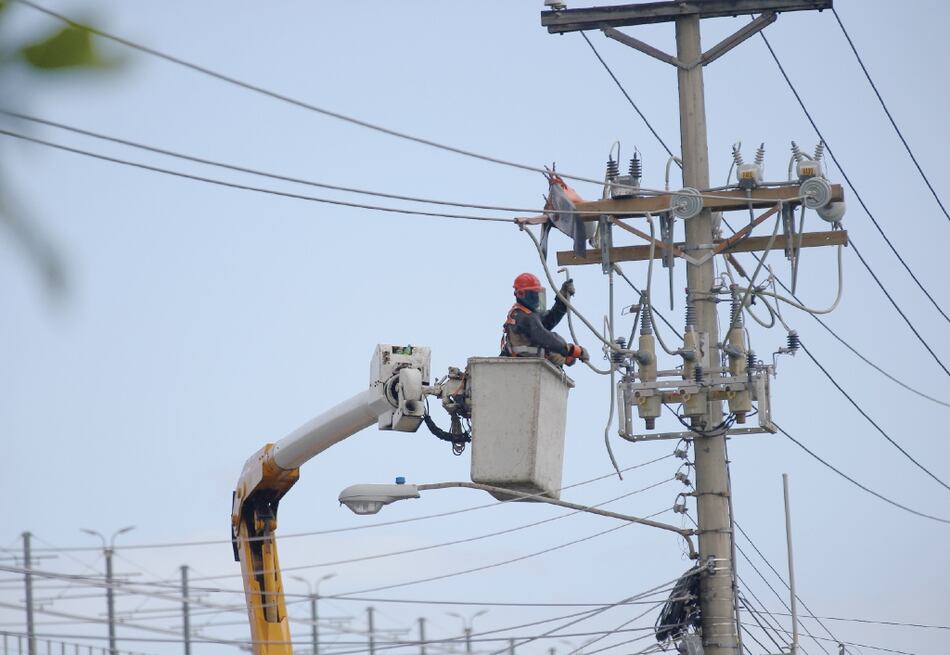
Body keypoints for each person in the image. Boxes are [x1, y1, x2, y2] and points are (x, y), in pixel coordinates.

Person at [500, 272, 589, 367]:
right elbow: (543, 337)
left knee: (558, 353)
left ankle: (562, 358)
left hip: (527, 363)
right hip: (525, 365)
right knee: (554, 348)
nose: (537, 298)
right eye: (533, 294)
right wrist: (570, 349)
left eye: (537, 294)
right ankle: (562, 358)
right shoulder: (523, 317)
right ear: (521, 294)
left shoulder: (526, 314)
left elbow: (549, 320)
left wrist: (563, 298)